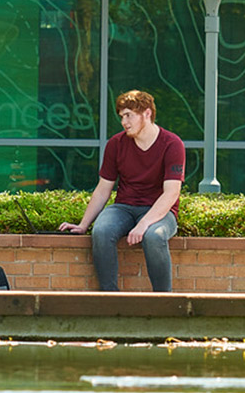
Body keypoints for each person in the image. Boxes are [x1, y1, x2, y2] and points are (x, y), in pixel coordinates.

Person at [60, 90, 185, 292]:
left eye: (129, 115)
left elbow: (171, 193)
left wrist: (144, 224)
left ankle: (164, 301)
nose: (124, 122)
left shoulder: (172, 144)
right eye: (121, 116)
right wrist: (84, 225)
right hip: (124, 208)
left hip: (160, 211)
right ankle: (110, 298)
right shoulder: (116, 144)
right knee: (101, 231)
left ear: (147, 113)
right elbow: (103, 190)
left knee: (154, 236)